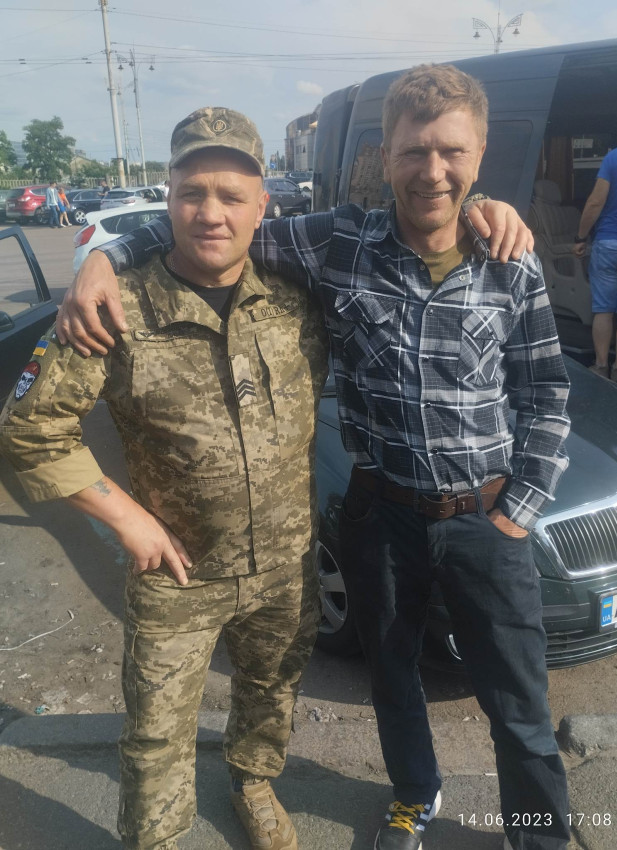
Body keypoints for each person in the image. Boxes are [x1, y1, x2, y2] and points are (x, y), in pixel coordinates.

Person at [54, 69, 550, 850]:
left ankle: (539, 834)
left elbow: (547, 390)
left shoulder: (510, 258)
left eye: (453, 152)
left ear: (480, 155)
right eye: (414, 151)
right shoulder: (334, 243)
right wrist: (104, 255)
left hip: (484, 520)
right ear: (384, 156)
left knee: (518, 703)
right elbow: (209, 222)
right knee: (392, 680)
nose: (432, 170)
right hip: (380, 515)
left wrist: (517, 511)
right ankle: (412, 798)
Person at [0, 107, 331, 850]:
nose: (211, 213)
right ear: (168, 199)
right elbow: (30, 428)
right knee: (156, 732)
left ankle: (253, 783)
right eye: (191, 193)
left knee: (271, 693)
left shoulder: (294, 302)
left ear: (261, 207)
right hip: (179, 574)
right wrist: (126, 519)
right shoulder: (114, 308)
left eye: (231, 196)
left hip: (285, 568)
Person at [573, 115, 617, 384]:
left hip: (610, 242)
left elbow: (595, 202)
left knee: (604, 309)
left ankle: (601, 366)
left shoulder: (616, 158)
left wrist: (580, 237)